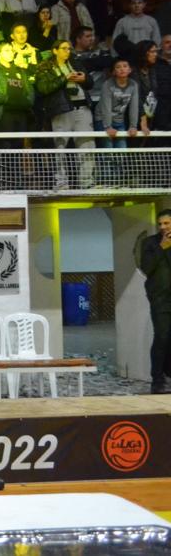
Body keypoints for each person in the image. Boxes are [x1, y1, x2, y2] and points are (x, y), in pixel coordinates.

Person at [35, 40, 95, 190]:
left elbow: (90, 82)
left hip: (82, 108)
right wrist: (65, 78)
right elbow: (43, 88)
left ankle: (87, 182)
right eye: (64, 48)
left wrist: (84, 79)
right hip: (61, 110)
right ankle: (61, 183)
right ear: (55, 50)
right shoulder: (45, 66)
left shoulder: (75, 62)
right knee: (60, 147)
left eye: (69, 48)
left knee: (87, 145)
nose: (67, 51)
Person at [0, 43, 34, 188]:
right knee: (3, 149)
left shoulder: (20, 70)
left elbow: (30, 91)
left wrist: (27, 102)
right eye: (6, 50)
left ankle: (16, 184)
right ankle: (3, 183)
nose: (11, 52)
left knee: (17, 149)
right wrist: (7, 100)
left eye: (11, 50)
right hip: (2, 115)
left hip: (20, 115)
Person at [139, 210, 171, 394]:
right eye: (160, 224)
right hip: (160, 298)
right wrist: (162, 247)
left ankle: (168, 375)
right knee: (162, 336)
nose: (162, 227)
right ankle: (157, 379)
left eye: (166, 223)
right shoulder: (150, 243)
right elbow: (147, 268)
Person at [95, 59, 140, 186]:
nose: (122, 69)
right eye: (118, 67)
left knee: (121, 151)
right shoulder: (108, 84)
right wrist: (107, 126)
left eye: (125, 66)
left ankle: (118, 181)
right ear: (114, 72)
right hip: (102, 119)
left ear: (130, 69)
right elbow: (105, 106)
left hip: (119, 121)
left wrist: (133, 126)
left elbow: (134, 106)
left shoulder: (133, 84)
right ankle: (106, 181)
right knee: (107, 150)